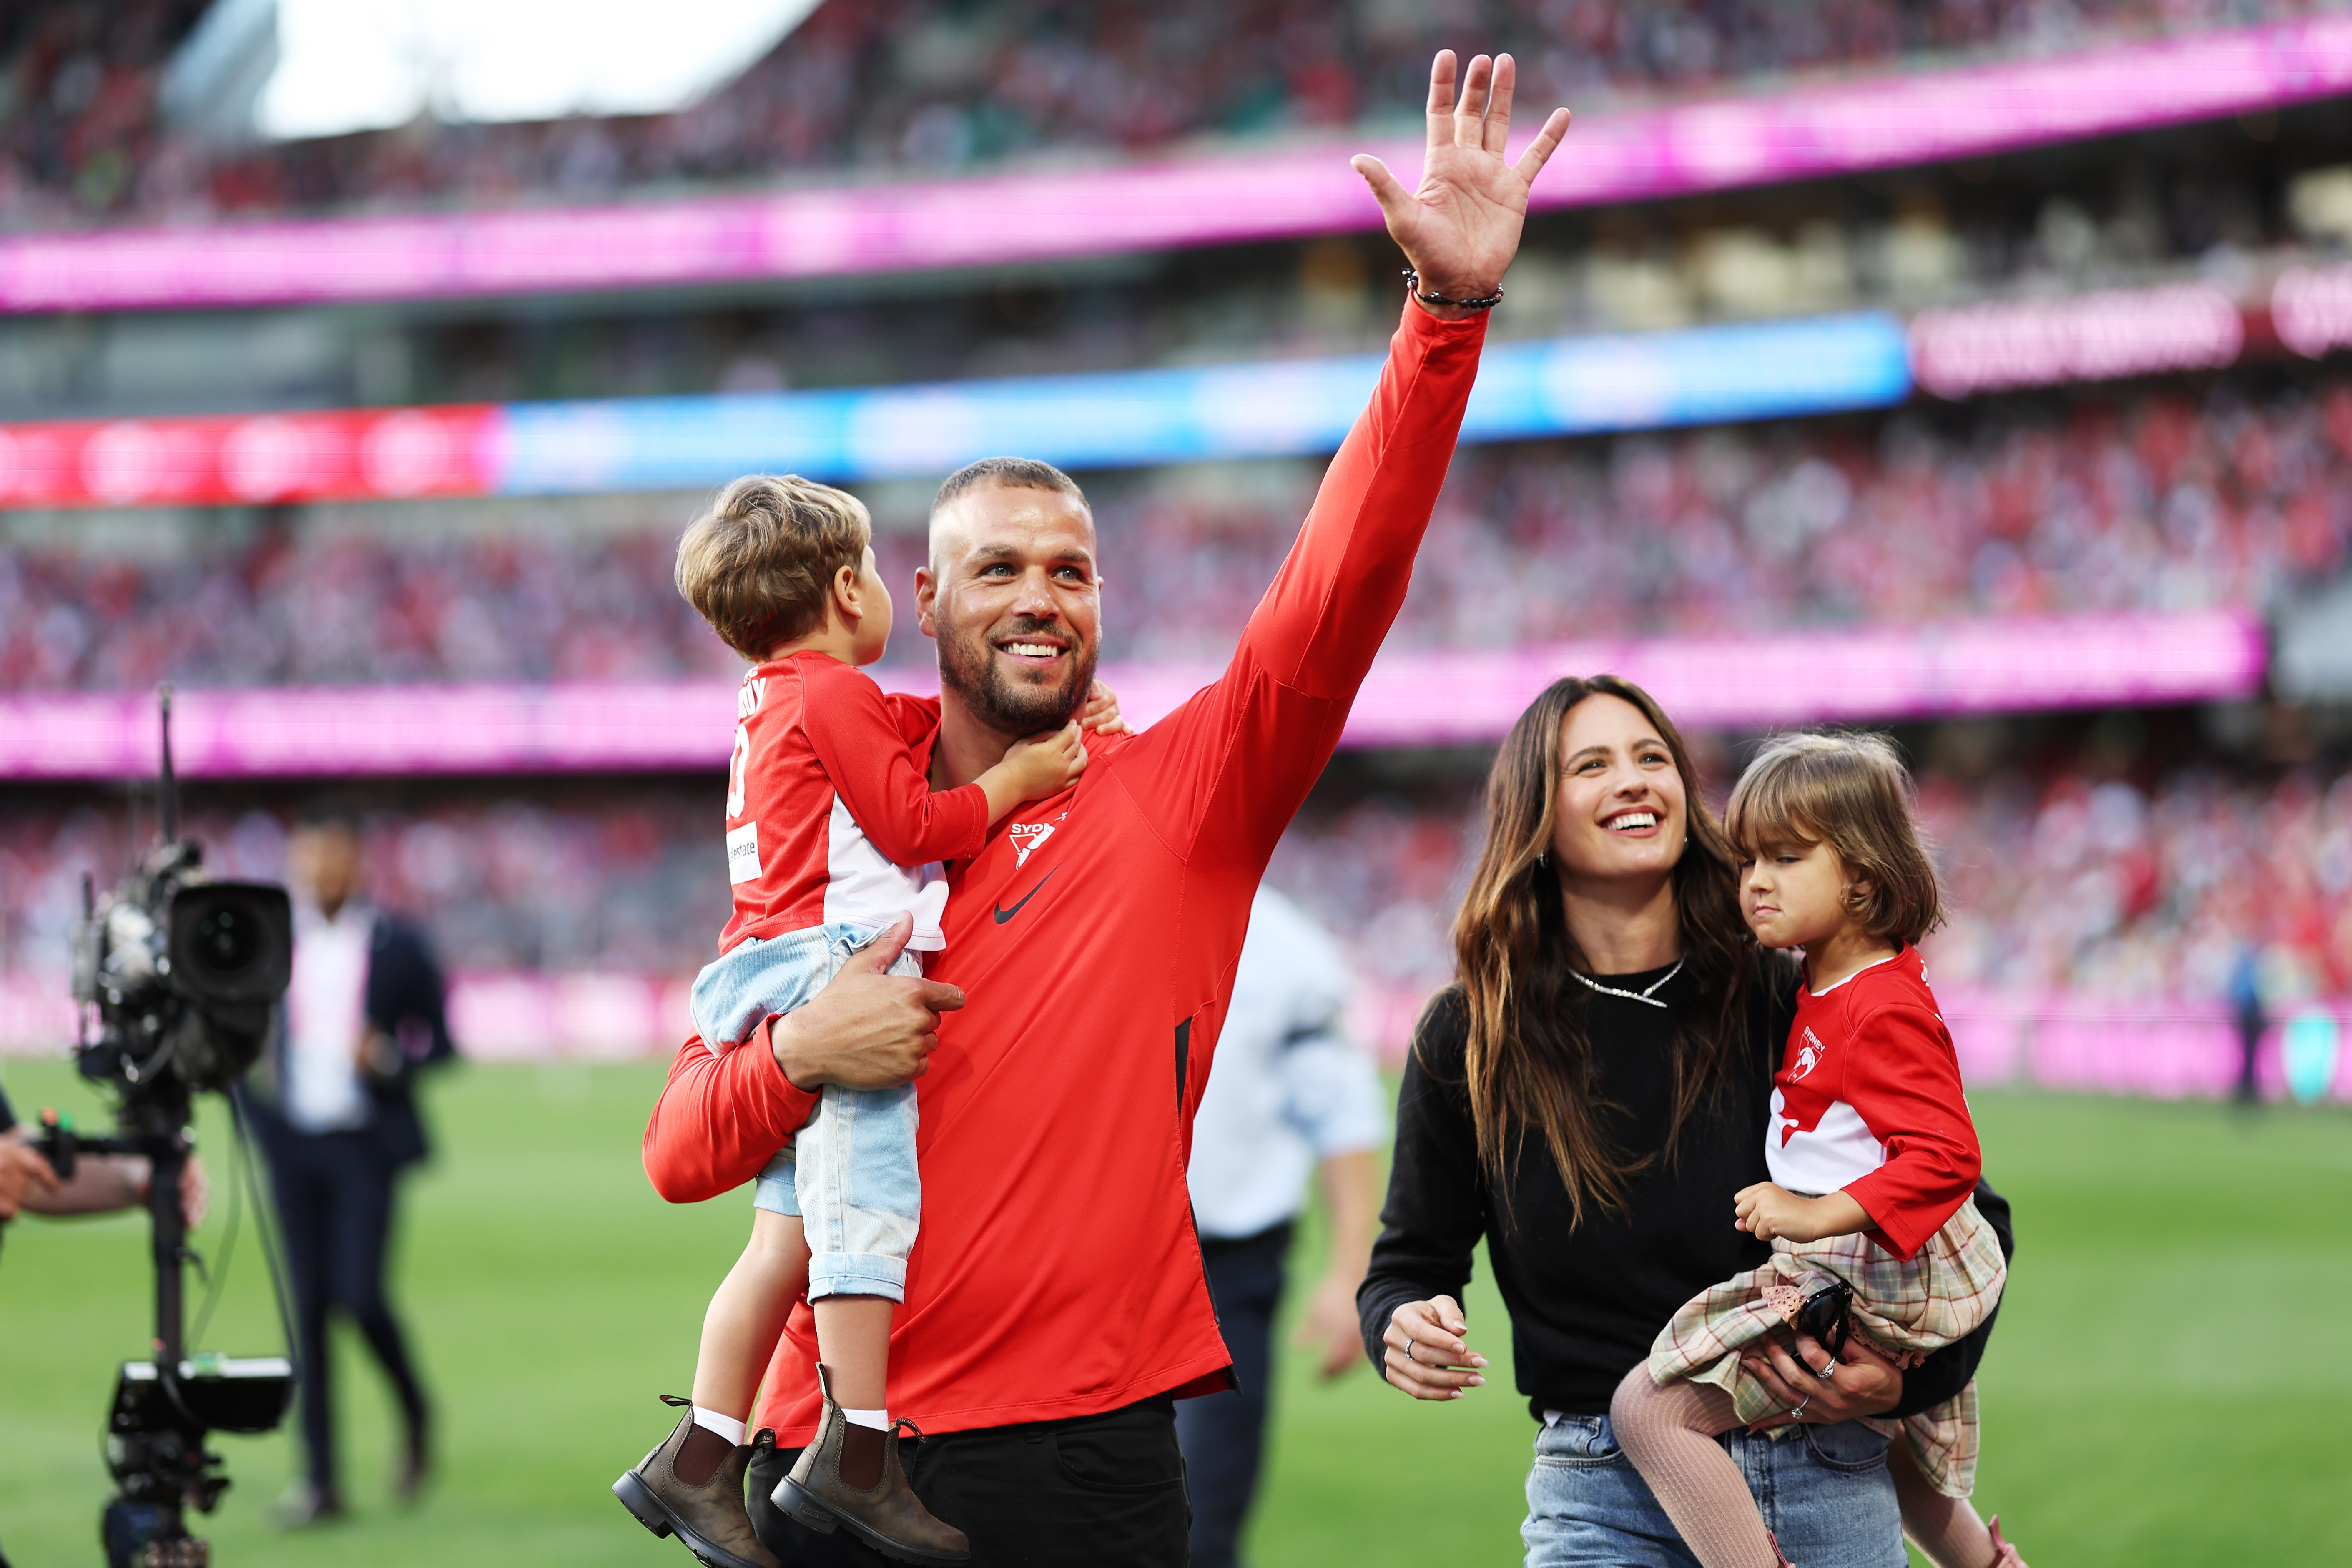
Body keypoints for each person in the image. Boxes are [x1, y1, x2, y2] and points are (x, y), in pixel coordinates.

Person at [638, 50, 1572, 1567]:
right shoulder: (843, 844)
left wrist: (1443, 322)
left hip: (1089, 1453)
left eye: (1070, 570)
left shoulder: (1187, 792)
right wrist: (804, 1053)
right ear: (919, 599)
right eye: (999, 568)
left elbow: (1333, 595)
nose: (1039, 598)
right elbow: (681, 1148)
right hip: (827, 1468)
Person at [1360, 676, 2015, 1568]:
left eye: (1652, 758)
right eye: (1591, 765)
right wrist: (1403, 1325)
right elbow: (1406, 1266)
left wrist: (1904, 1378)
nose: (1633, 780)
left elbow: (1967, 1211)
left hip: (1818, 1464)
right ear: (1534, 817)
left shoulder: (1790, 993)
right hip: (1597, 1490)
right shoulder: (1470, 1036)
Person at [616, 475, 1094, 1568]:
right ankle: (858, 1450)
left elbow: (900, 738)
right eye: (878, 572)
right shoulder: (830, 687)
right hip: (831, 962)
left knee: (782, 1237)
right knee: (867, 1209)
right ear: (844, 588)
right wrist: (1019, 774)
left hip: (763, 958)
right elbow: (914, 816)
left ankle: (699, 1453)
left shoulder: (768, 694)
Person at [1609, 732, 2021, 1568]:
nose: (1755, 882)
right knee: (1881, 1427)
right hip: (1859, 1259)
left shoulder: (1879, 1006)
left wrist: (1811, 1213)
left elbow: (1947, 1157)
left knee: (1649, 1411)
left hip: (1865, 1264)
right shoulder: (1829, 983)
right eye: (1746, 860)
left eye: (1786, 858)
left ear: (1862, 876)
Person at [238, 800, 454, 1526]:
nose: (322, 871)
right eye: (309, 858)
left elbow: (444, 1045)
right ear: (294, 864)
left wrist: (390, 1057)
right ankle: (321, 1482)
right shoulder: (270, 944)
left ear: (358, 861)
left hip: (366, 1145)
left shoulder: (400, 945)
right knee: (306, 1313)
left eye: (334, 857)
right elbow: (234, 1041)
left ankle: (415, 1405)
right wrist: (260, 1122)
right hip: (294, 1144)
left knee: (358, 1296)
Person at [1175, 886, 1385, 1568]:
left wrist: (1352, 1266)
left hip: (1223, 1275)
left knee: (1197, 1525)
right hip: (1068, 1267)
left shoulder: (1286, 949)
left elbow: (1341, 1110)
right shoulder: (1067, 899)